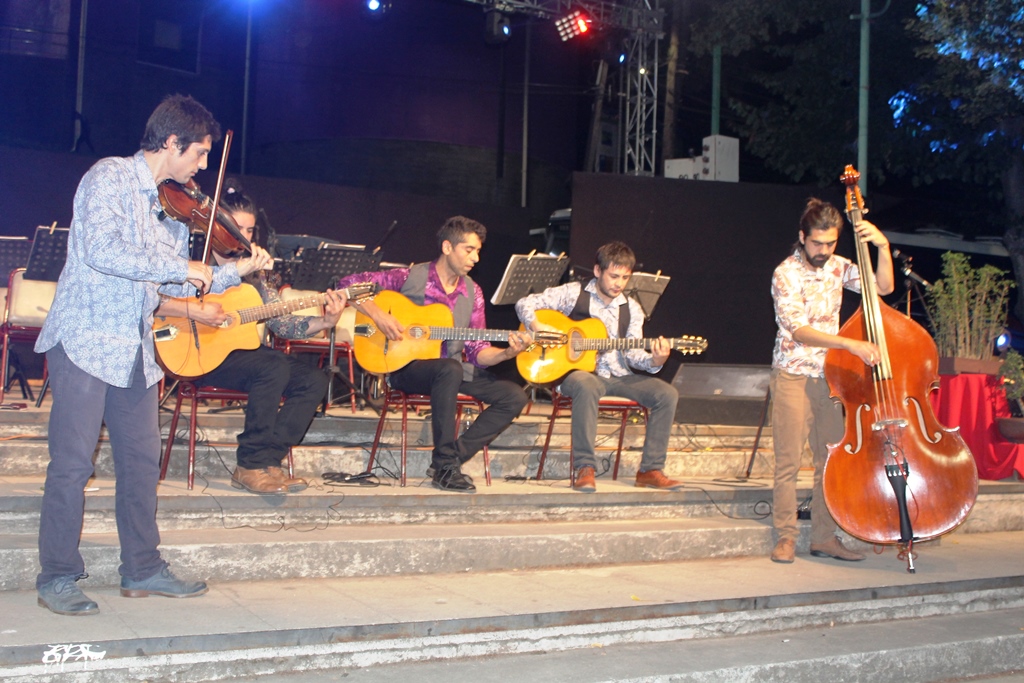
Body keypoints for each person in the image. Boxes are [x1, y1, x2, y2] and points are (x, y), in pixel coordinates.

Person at [33, 94, 257, 616]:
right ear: (173, 142)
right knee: (72, 464)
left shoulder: (170, 208)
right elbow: (102, 252)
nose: (203, 166)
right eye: (200, 153)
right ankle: (57, 576)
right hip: (86, 338)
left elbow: (166, 283)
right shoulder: (108, 177)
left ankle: (142, 568)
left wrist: (231, 273)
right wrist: (181, 267)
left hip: (135, 347)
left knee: (140, 462)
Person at [155, 185, 347, 494]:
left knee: (313, 380)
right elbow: (158, 298)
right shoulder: (191, 260)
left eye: (249, 230)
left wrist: (324, 321)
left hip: (244, 355)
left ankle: (268, 460)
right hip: (196, 352)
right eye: (236, 228)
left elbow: (280, 323)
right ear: (217, 225)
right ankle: (250, 463)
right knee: (272, 366)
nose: (242, 237)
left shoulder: (258, 274)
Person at [337, 216, 530, 493]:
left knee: (514, 396)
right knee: (449, 368)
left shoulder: (473, 292)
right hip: (406, 368)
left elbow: (477, 351)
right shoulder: (409, 277)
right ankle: (446, 466)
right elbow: (347, 284)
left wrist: (506, 353)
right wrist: (378, 315)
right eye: (469, 250)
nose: (475, 258)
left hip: (452, 370)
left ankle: (448, 461)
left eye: (478, 251)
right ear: (447, 247)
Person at [769, 197, 894, 564]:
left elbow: (882, 288)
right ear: (802, 237)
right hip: (793, 374)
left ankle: (824, 537)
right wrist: (849, 344)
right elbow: (799, 330)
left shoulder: (839, 266)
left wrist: (882, 246)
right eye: (817, 243)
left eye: (830, 243)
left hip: (829, 378)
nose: (823, 251)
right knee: (788, 462)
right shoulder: (785, 273)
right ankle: (785, 536)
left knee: (830, 460)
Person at [515, 241, 682, 493]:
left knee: (666, 394)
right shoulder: (573, 293)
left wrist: (654, 361)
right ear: (597, 271)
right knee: (587, 384)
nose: (619, 284)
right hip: (577, 375)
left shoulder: (632, 308)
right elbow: (524, 304)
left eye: (625, 278)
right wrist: (537, 326)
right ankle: (585, 467)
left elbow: (633, 353)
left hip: (619, 376)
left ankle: (650, 470)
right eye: (613, 276)